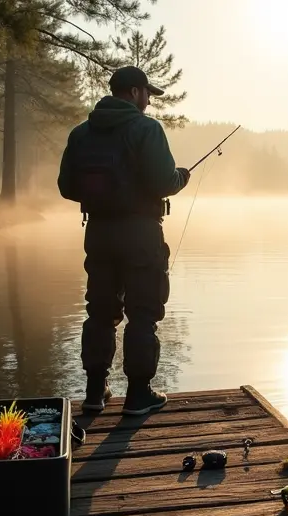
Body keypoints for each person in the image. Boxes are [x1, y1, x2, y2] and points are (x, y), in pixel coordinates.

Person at [57, 66, 190, 415]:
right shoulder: (146, 129)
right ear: (133, 92)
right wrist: (181, 177)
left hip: (98, 234)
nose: (149, 101)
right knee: (143, 312)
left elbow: (66, 187)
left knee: (100, 311)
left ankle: (94, 392)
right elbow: (164, 182)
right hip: (141, 234)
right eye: (147, 94)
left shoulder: (81, 133)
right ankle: (137, 395)